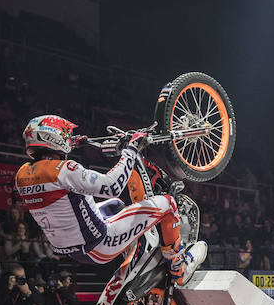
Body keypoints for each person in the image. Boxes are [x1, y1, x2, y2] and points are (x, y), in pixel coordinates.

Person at [14, 115, 205, 286]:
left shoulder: (22, 174)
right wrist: (130, 150)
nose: (67, 137)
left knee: (115, 205)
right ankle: (179, 267)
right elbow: (111, 186)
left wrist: (74, 143)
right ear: (52, 138)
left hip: (71, 248)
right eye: (64, 134)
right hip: (100, 244)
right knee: (168, 203)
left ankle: (139, 253)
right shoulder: (63, 170)